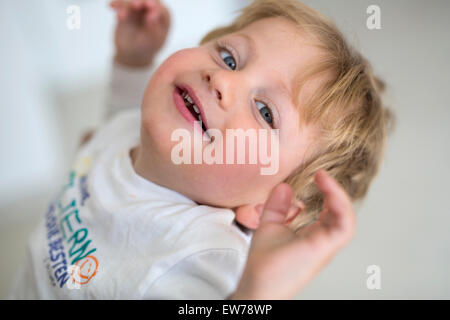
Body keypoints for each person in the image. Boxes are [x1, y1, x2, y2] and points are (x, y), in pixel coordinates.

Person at [9, 0, 393, 299]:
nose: (223, 79)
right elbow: (122, 117)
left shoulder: (205, 258)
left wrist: (255, 292)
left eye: (264, 111)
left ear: (270, 204)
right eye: (229, 57)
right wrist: (134, 59)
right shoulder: (134, 130)